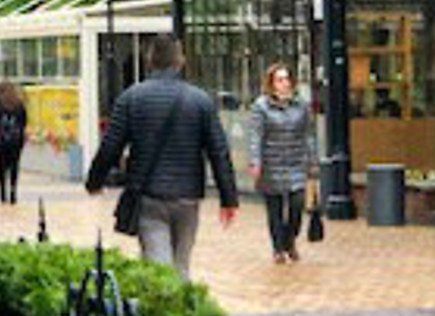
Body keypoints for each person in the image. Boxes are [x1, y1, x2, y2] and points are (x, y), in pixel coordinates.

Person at [85, 32, 238, 279]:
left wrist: (94, 182)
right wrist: (228, 198)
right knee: (181, 265)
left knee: (159, 268)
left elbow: (110, 146)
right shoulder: (200, 101)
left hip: (149, 194)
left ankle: (164, 301)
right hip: (188, 195)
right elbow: (218, 151)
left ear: (150, 60)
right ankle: (183, 301)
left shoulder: (131, 98)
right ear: (181, 61)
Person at [248, 63, 319, 264]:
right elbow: (256, 136)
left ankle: (290, 240)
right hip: (272, 164)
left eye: (287, 79)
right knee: (275, 210)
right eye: (279, 80)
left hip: (295, 162)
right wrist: (255, 161)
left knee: (297, 205)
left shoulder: (301, 105)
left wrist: (312, 160)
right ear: (271, 83)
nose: (284, 83)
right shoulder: (261, 107)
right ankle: (278, 248)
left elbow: (309, 135)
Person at [0, 81, 28, 205]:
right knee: (15, 165)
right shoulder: (19, 103)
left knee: (1, 165)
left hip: (0, 139)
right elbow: (24, 121)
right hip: (16, 139)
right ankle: (13, 193)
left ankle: (3, 194)